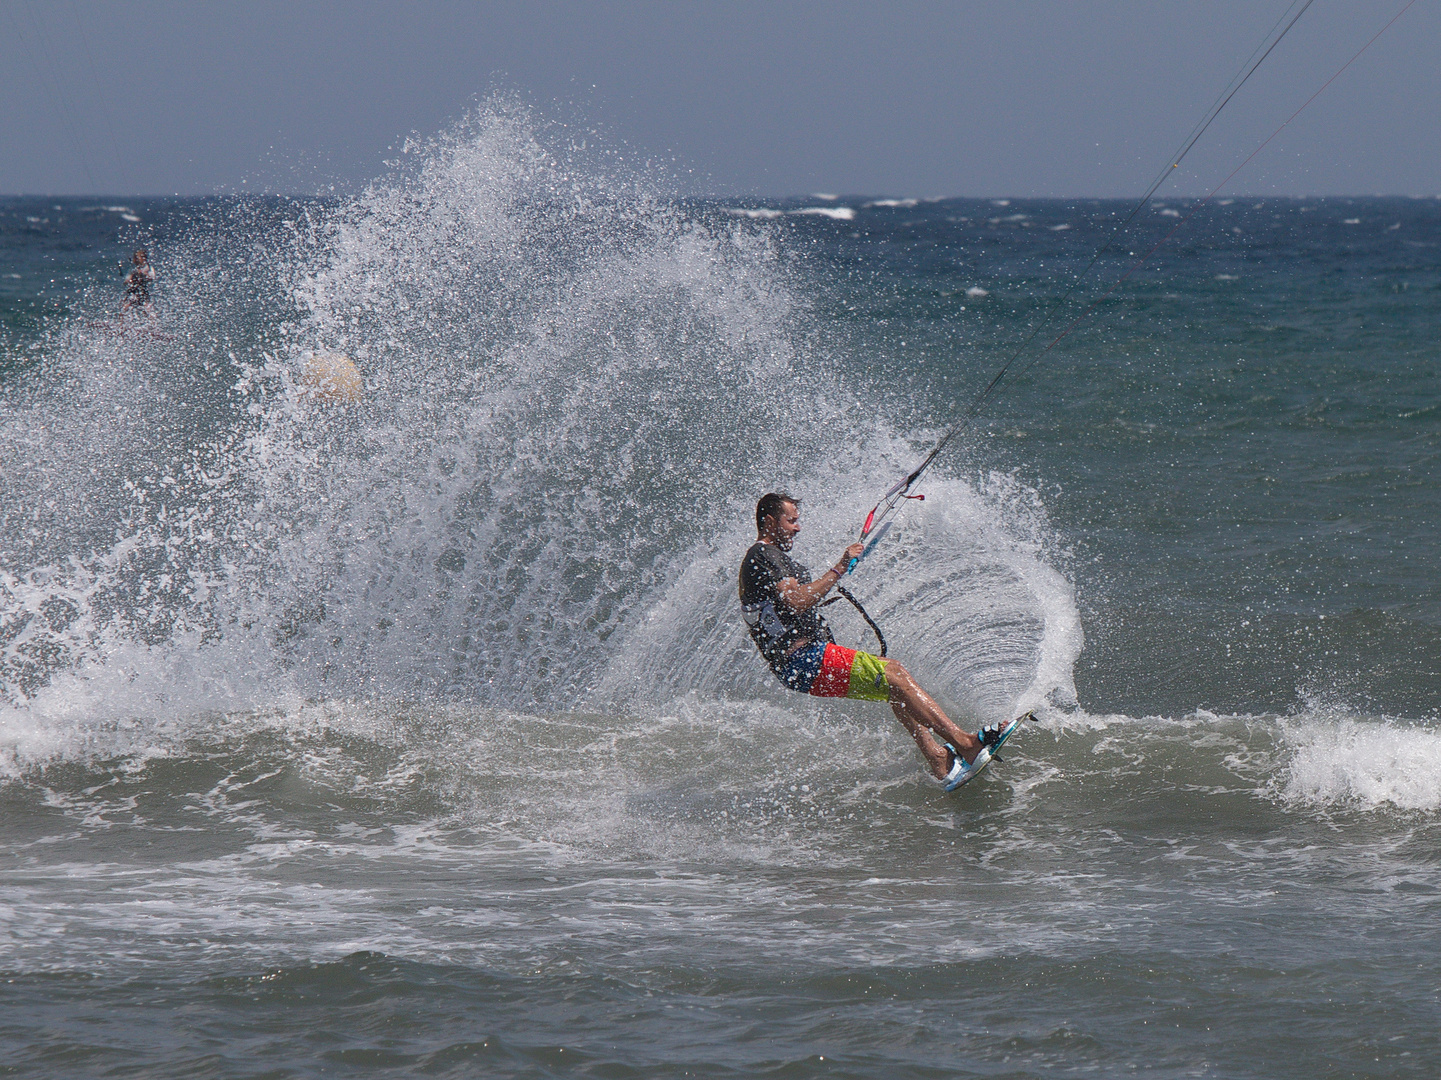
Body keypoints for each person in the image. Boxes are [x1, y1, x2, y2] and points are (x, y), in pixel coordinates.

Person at [739, 492, 1017, 789]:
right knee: (895, 673)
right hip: (803, 660)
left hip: (799, 665)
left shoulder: (767, 558)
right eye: (791, 521)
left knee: (893, 686)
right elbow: (795, 601)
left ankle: (939, 761)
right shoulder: (764, 554)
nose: (797, 528)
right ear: (770, 521)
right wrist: (839, 567)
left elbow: (787, 607)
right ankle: (966, 744)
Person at [121, 248, 155, 315]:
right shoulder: (133, 269)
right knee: (125, 307)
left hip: (143, 291)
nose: (136, 260)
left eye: (137, 258)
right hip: (133, 291)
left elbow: (152, 277)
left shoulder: (148, 268)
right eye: (135, 258)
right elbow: (126, 280)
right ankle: (120, 322)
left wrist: (144, 274)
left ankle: (153, 322)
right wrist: (130, 278)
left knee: (147, 308)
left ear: (144, 258)